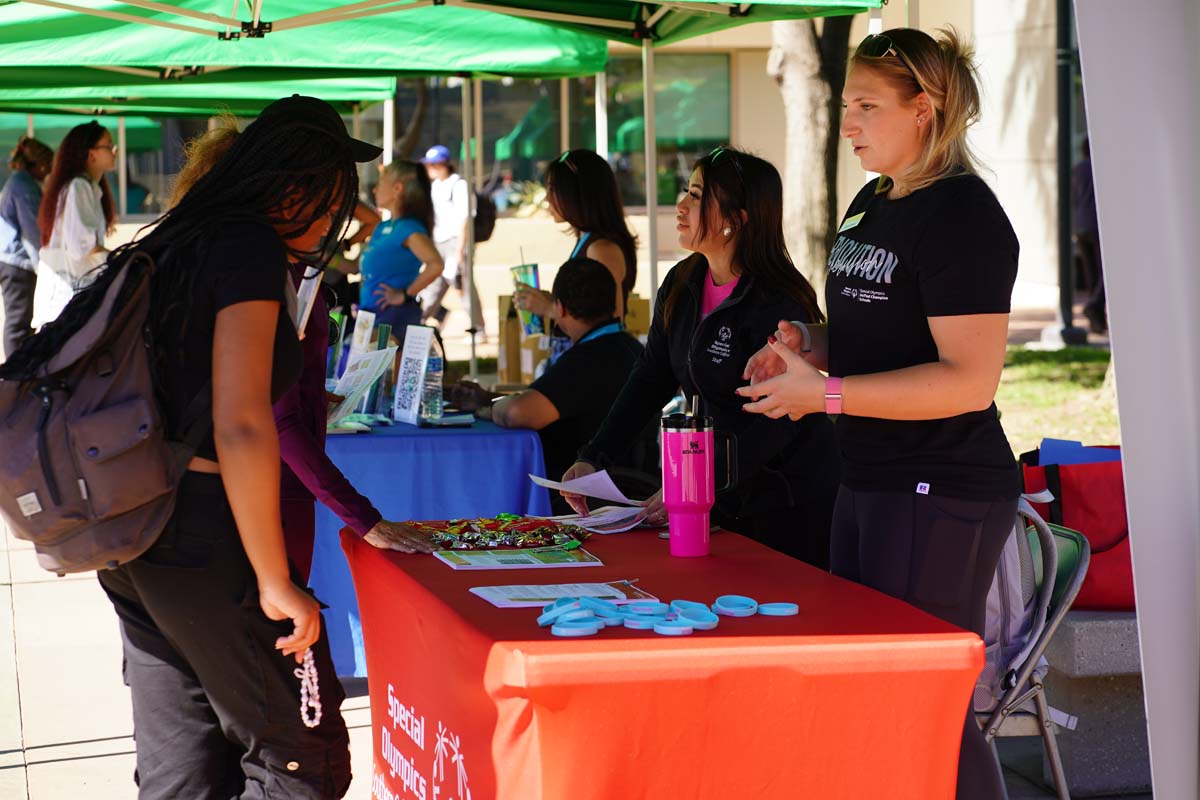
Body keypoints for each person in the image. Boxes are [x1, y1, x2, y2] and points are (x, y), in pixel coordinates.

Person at [3, 95, 388, 798]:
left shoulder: (178, 236)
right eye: (334, 198)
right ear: (298, 187)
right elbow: (242, 422)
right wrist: (276, 582)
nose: (336, 219)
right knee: (301, 760)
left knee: (182, 762)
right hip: (203, 532)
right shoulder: (245, 247)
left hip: (137, 531)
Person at [739, 28, 1020, 800]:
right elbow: (885, 331)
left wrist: (821, 395)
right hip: (869, 477)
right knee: (870, 687)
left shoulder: (962, 216)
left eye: (867, 106)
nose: (850, 122)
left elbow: (967, 378)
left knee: (925, 700)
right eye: (849, 104)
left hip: (943, 488)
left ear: (923, 110)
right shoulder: (875, 199)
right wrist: (812, 345)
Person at [166, 122, 439, 581]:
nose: (334, 214)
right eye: (326, 193)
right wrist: (364, 519)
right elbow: (276, 420)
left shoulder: (212, 258)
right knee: (283, 635)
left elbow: (259, 393)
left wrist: (307, 390)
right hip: (254, 498)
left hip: (208, 497)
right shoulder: (262, 271)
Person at [562, 147, 841, 568]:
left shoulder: (777, 302)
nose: (681, 205)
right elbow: (650, 377)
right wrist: (593, 457)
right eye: (686, 192)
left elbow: (770, 424)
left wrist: (692, 485)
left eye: (697, 195)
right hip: (718, 497)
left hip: (785, 502)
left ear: (736, 219)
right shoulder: (683, 280)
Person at [476, 258, 651, 512]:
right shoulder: (630, 347)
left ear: (559, 308)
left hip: (584, 496)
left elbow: (516, 413)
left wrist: (488, 409)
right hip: (634, 483)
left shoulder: (589, 358)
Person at [511, 148, 638, 322]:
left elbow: (608, 325)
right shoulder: (587, 240)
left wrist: (549, 308)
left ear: (577, 193)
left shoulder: (601, 250)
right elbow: (586, 309)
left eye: (553, 190)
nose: (547, 199)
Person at [33, 120, 116, 328]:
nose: (114, 150)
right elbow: (83, 247)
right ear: (91, 154)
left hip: (66, 302)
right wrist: (122, 257)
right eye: (108, 144)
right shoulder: (79, 187)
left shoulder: (88, 187)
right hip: (63, 304)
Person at [358, 160, 444, 336]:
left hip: (392, 317)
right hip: (369, 314)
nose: (375, 189)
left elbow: (436, 264)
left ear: (398, 189)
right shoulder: (383, 227)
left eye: (380, 184)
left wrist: (404, 294)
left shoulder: (409, 228)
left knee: (387, 364)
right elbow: (355, 266)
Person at [419, 144, 485, 340]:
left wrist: (460, 250)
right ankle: (420, 320)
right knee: (432, 285)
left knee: (462, 286)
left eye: (434, 164)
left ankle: (477, 327)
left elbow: (466, 219)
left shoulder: (460, 185)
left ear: (444, 164)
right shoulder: (435, 186)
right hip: (438, 243)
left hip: (457, 242)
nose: (430, 168)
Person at [0, 136, 53, 358]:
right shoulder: (24, 186)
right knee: (19, 323)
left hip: (11, 260)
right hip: (17, 265)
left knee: (19, 322)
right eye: (48, 166)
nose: (49, 171)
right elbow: (34, 232)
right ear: (40, 164)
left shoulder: (18, 181)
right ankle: (14, 378)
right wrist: (46, 267)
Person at [1072, 137, 1105, 333]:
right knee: (1105, 271)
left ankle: (1097, 321)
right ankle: (1094, 305)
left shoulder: (1076, 170)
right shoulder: (1100, 167)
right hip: (1097, 224)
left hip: (1080, 225)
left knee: (1091, 271)